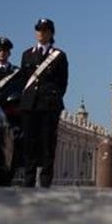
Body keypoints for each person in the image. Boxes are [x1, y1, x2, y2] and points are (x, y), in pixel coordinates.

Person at [18, 19, 68, 188]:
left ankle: (45, 180)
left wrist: (53, 99)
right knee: (29, 143)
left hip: (49, 106)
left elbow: (63, 83)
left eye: (45, 30)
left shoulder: (59, 56)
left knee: (48, 143)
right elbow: (24, 80)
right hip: (29, 105)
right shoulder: (27, 54)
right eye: (39, 30)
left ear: (51, 33)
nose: (41, 33)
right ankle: (29, 178)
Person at [0, 36, 24, 182]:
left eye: (5, 51)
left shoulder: (16, 72)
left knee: (12, 145)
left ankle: (9, 175)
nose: (2, 53)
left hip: (10, 115)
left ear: (9, 53)